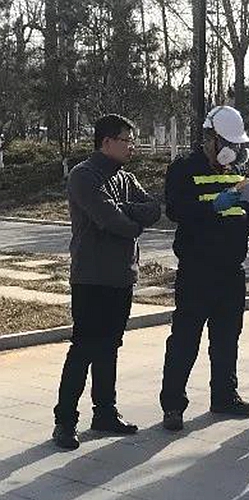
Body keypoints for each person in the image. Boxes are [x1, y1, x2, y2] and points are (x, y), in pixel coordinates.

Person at [160, 106, 249, 431]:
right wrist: (212, 205)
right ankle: (173, 405)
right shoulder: (184, 168)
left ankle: (224, 396)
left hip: (231, 270)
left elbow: (244, 214)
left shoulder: (237, 171)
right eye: (227, 142)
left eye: (236, 144)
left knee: (227, 338)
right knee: (185, 339)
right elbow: (176, 209)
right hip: (197, 269)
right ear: (210, 138)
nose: (232, 149)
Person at [53, 114, 161, 450]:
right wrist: (132, 220)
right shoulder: (83, 175)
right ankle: (65, 421)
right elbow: (113, 222)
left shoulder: (126, 178)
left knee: (110, 346)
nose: (132, 146)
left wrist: (125, 209)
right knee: (84, 347)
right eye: (126, 140)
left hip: (122, 276)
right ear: (106, 142)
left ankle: (105, 412)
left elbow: (153, 209)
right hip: (91, 278)